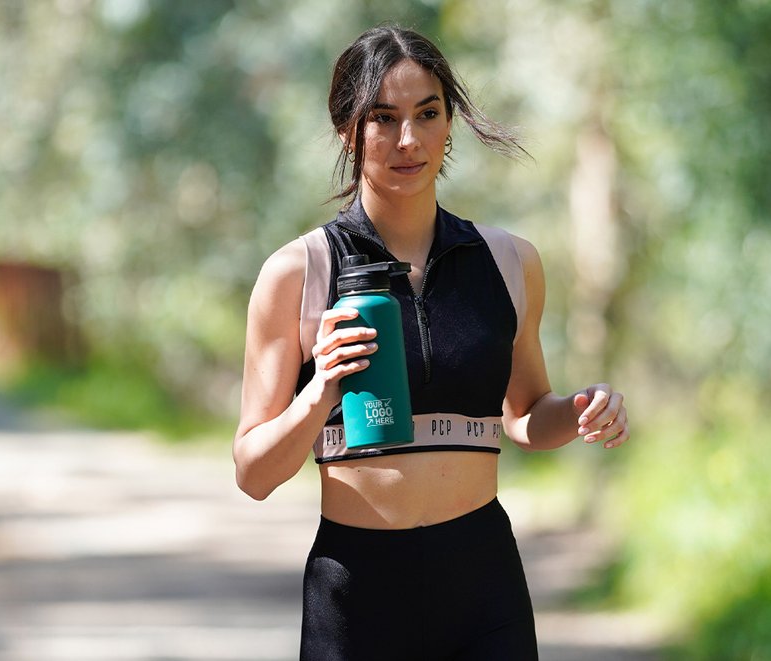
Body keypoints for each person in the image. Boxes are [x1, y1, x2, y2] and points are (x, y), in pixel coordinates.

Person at [233, 24, 630, 660]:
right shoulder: (298, 274)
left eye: (427, 113)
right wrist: (321, 391)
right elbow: (253, 473)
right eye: (383, 119)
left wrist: (580, 410)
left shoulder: (507, 262)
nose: (408, 140)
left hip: (483, 586)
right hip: (355, 593)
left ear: (451, 122)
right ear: (348, 129)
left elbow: (525, 415)